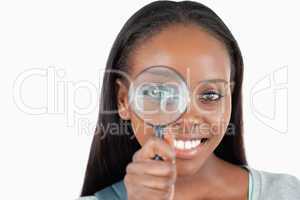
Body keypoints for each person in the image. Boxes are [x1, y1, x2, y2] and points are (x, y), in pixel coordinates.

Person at [78, 1, 300, 199]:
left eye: (210, 95)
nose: (188, 118)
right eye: (159, 93)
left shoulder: (287, 193)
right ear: (124, 100)